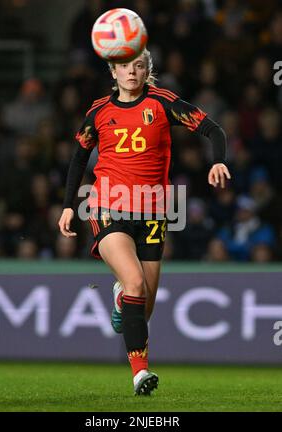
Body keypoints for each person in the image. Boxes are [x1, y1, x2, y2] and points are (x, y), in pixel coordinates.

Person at [58, 48, 231, 395]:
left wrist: (218, 161)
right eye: (124, 66)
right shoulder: (98, 112)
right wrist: (67, 206)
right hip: (108, 205)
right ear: (113, 72)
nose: (132, 72)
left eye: (139, 66)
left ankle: (124, 298)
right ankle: (140, 374)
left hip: (153, 212)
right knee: (136, 282)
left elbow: (214, 130)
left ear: (147, 69)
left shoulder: (163, 103)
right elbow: (79, 158)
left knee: (144, 305)